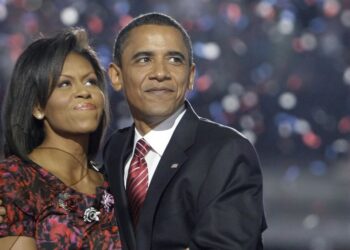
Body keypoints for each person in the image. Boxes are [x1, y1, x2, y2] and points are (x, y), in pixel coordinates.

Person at [104, 12, 267, 249]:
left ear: (190, 76)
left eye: (174, 60)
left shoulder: (226, 152)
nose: (160, 73)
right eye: (144, 59)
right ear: (116, 76)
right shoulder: (115, 149)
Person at [0, 28, 122, 249]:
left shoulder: (115, 186)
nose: (84, 92)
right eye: (65, 83)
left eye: (91, 82)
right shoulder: (16, 180)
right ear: (37, 106)